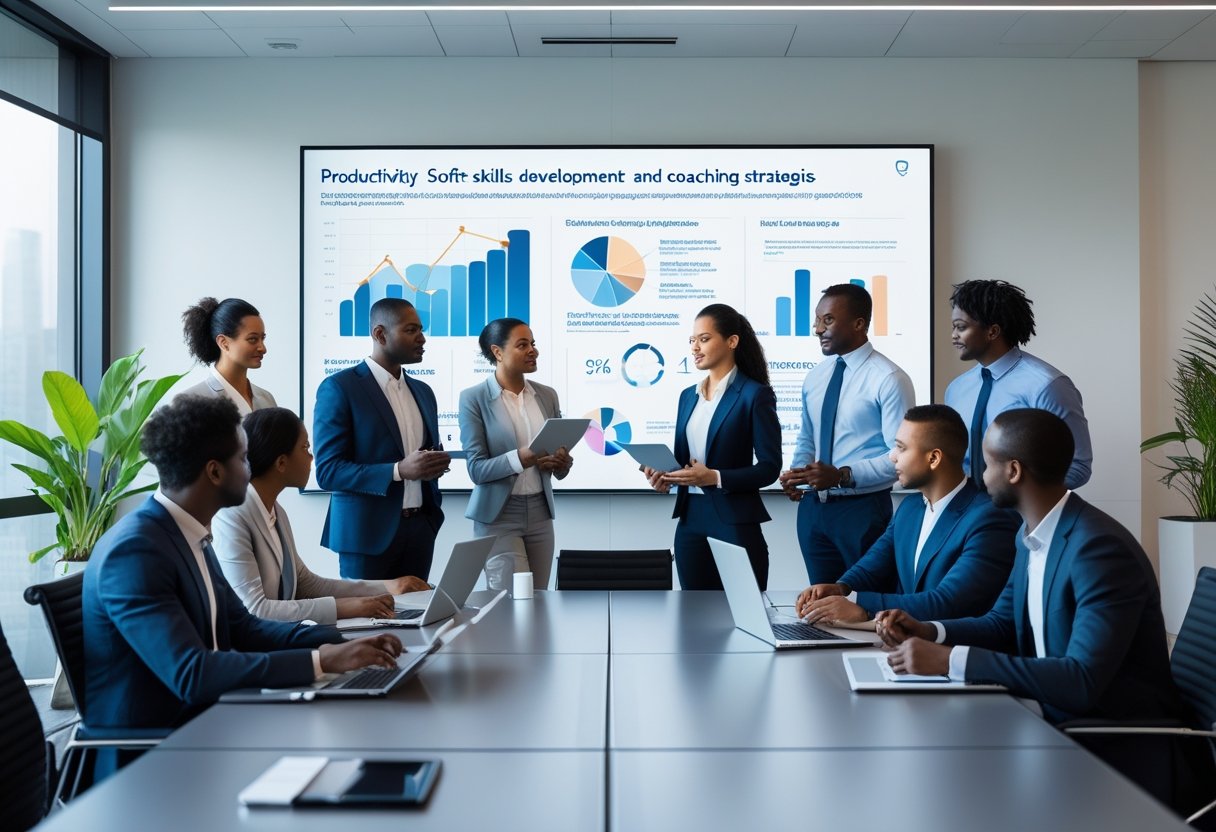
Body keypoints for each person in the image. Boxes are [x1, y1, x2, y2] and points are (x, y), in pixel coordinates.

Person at [877, 409, 1206, 813]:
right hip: (1052, 719)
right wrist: (930, 631)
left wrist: (950, 660)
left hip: (1115, 744)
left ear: (1013, 471)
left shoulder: (1098, 550)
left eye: (986, 463)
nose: (979, 474)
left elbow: (1081, 680)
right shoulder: (1032, 533)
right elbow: (1000, 624)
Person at [82, 396, 402, 778]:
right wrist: (321, 661)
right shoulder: (136, 552)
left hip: (213, 718)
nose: (252, 470)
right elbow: (192, 673)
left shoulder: (187, 533)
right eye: (244, 459)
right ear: (215, 472)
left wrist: (337, 643)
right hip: (152, 755)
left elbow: (245, 627)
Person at [794, 404, 1017, 625]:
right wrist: (840, 588)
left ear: (933, 459)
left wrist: (860, 605)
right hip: (902, 646)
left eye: (901, 448)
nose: (892, 457)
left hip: (953, 653)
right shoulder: (909, 508)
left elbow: (949, 603)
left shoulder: (989, 518)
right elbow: (872, 566)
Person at [212, 407, 431, 623]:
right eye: (305, 447)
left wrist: (390, 586)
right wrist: (349, 608)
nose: (311, 456)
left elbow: (306, 584)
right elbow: (255, 610)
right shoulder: (232, 516)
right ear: (281, 462)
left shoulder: (277, 512)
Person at [779, 283, 916, 585]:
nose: (817, 329)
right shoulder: (816, 376)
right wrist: (798, 473)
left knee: (866, 605)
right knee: (821, 606)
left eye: (827, 320)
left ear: (859, 324)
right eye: (817, 320)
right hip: (814, 511)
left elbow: (902, 457)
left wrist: (841, 475)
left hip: (862, 512)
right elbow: (807, 435)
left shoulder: (889, 379)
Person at [643, 304, 781, 590]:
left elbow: (770, 468)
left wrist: (715, 477)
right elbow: (685, 463)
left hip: (735, 521)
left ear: (731, 341)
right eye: (692, 340)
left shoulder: (755, 395)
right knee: (692, 618)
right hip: (690, 520)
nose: (695, 347)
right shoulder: (687, 397)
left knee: (744, 618)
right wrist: (665, 477)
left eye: (704, 339)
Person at [314, 297, 450, 581]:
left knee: (416, 622)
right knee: (368, 624)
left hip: (420, 531)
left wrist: (433, 464)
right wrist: (399, 470)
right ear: (380, 334)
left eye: (421, 329)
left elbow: (420, 459)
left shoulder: (423, 391)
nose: (422, 338)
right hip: (365, 537)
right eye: (411, 330)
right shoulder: (340, 388)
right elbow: (328, 472)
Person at [459, 319, 573, 591]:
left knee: (541, 599)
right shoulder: (473, 398)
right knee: (510, 606)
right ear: (497, 352)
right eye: (523, 345)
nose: (533, 350)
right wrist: (523, 457)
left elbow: (558, 468)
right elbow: (477, 470)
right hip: (499, 516)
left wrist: (561, 463)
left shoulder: (547, 395)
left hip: (541, 513)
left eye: (533, 343)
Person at [945, 279, 1092, 490]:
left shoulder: (1048, 386)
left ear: (993, 332)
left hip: (1020, 517)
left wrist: (1019, 496)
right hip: (967, 514)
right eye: (953, 327)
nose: (953, 336)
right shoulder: (956, 389)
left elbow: (1078, 466)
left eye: (961, 327)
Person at [178, 296, 276, 413]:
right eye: (253, 339)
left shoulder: (267, 400)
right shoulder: (190, 403)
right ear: (224, 343)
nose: (263, 348)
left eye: (262, 338)